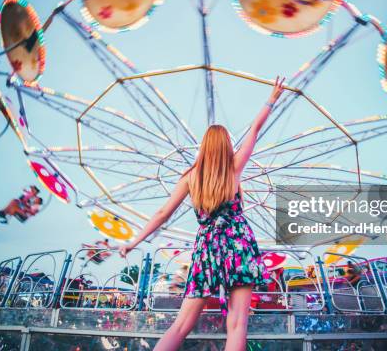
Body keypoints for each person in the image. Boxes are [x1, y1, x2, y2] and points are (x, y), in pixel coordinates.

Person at [118, 77, 286, 351]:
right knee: (237, 322)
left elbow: (162, 214)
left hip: (207, 248)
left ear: (204, 147)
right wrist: (272, 99)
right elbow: (255, 129)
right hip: (238, 246)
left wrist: (133, 242)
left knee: (181, 325)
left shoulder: (190, 178)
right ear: (226, 146)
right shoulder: (233, 170)